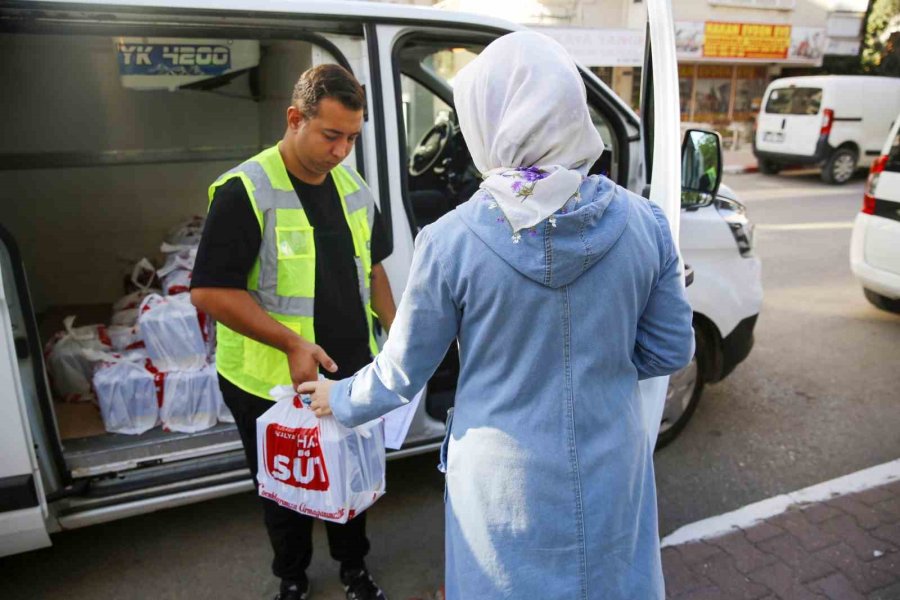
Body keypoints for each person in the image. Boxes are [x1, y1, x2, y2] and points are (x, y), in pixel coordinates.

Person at [299, 32, 695, 599]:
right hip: (610, 473)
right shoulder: (645, 224)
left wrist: (335, 397)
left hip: (501, 490)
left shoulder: (450, 240)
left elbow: (400, 374)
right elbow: (670, 352)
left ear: (484, 119)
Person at [190, 63, 395, 600]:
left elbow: (373, 268)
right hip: (271, 383)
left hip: (347, 373)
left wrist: (396, 339)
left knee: (350, 475)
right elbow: (210, 291)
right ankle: (293, 578)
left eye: (352, 137)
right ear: (294, 118)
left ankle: (355, 569)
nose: (342, 151)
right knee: (284, 489)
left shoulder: (352, 186)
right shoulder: (245, 189)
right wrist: (290, 342)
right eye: (331, 135)